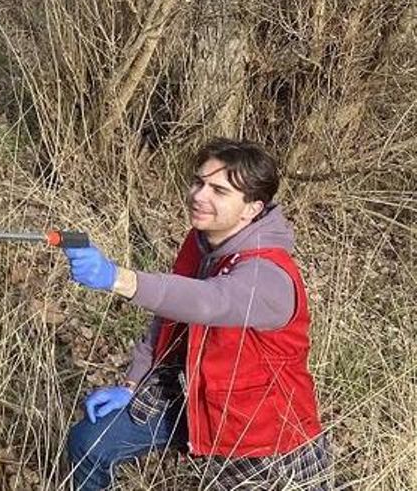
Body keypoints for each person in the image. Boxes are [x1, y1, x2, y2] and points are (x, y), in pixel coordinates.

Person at [63, 139, 330, 489]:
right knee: (92, 442)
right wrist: (133, 383)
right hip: (192, 396)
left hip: (263, 435)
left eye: (218, 190)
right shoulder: (201, 241)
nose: (199, 195)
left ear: (251, 209)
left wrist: (118, 278)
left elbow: (208, 302)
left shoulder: (270, 275)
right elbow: (168, 317)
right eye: (199, 182)